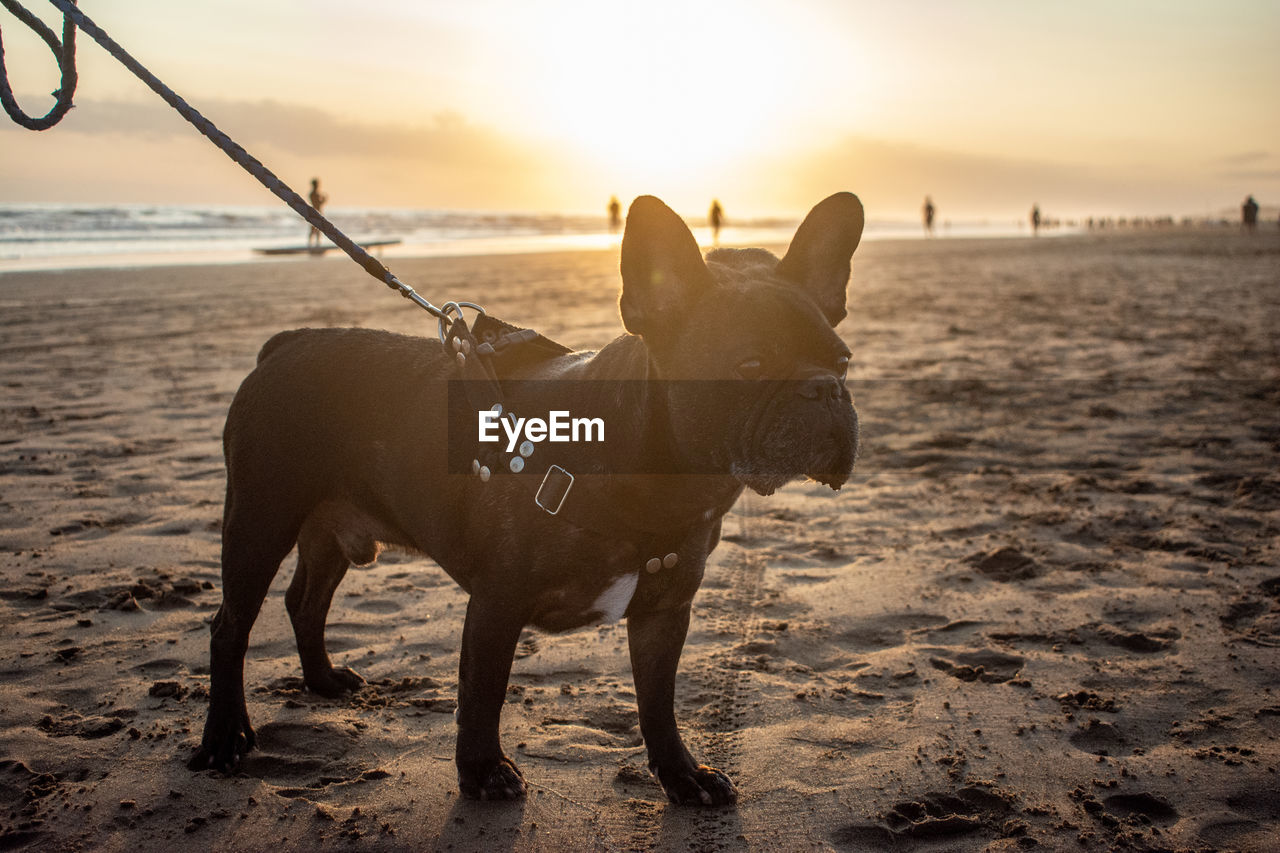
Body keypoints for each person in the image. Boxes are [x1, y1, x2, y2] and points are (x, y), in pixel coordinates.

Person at [307, 178, 328, 249]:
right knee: (314, 228)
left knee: (317, 228)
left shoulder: (313, 193)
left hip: (316, 211)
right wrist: (324, 199)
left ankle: (316, 243)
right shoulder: (314, 194)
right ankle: (311, 242)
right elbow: (318, 203)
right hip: (315, 212)